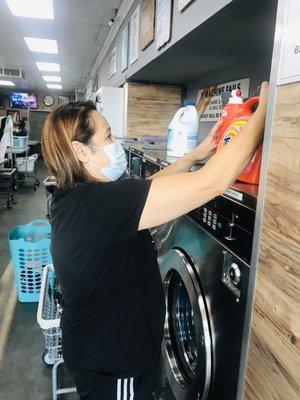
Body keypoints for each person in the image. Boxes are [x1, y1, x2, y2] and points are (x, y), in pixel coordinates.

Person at [42, 82, 269, 400]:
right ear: (81, 151)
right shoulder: (101, 203)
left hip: (99, 347)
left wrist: (195, 155)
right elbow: (213, 182)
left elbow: (145, 190)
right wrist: (265, 111)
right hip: (114, 362)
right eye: (108, 136)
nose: (115, 142)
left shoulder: (78, 197)